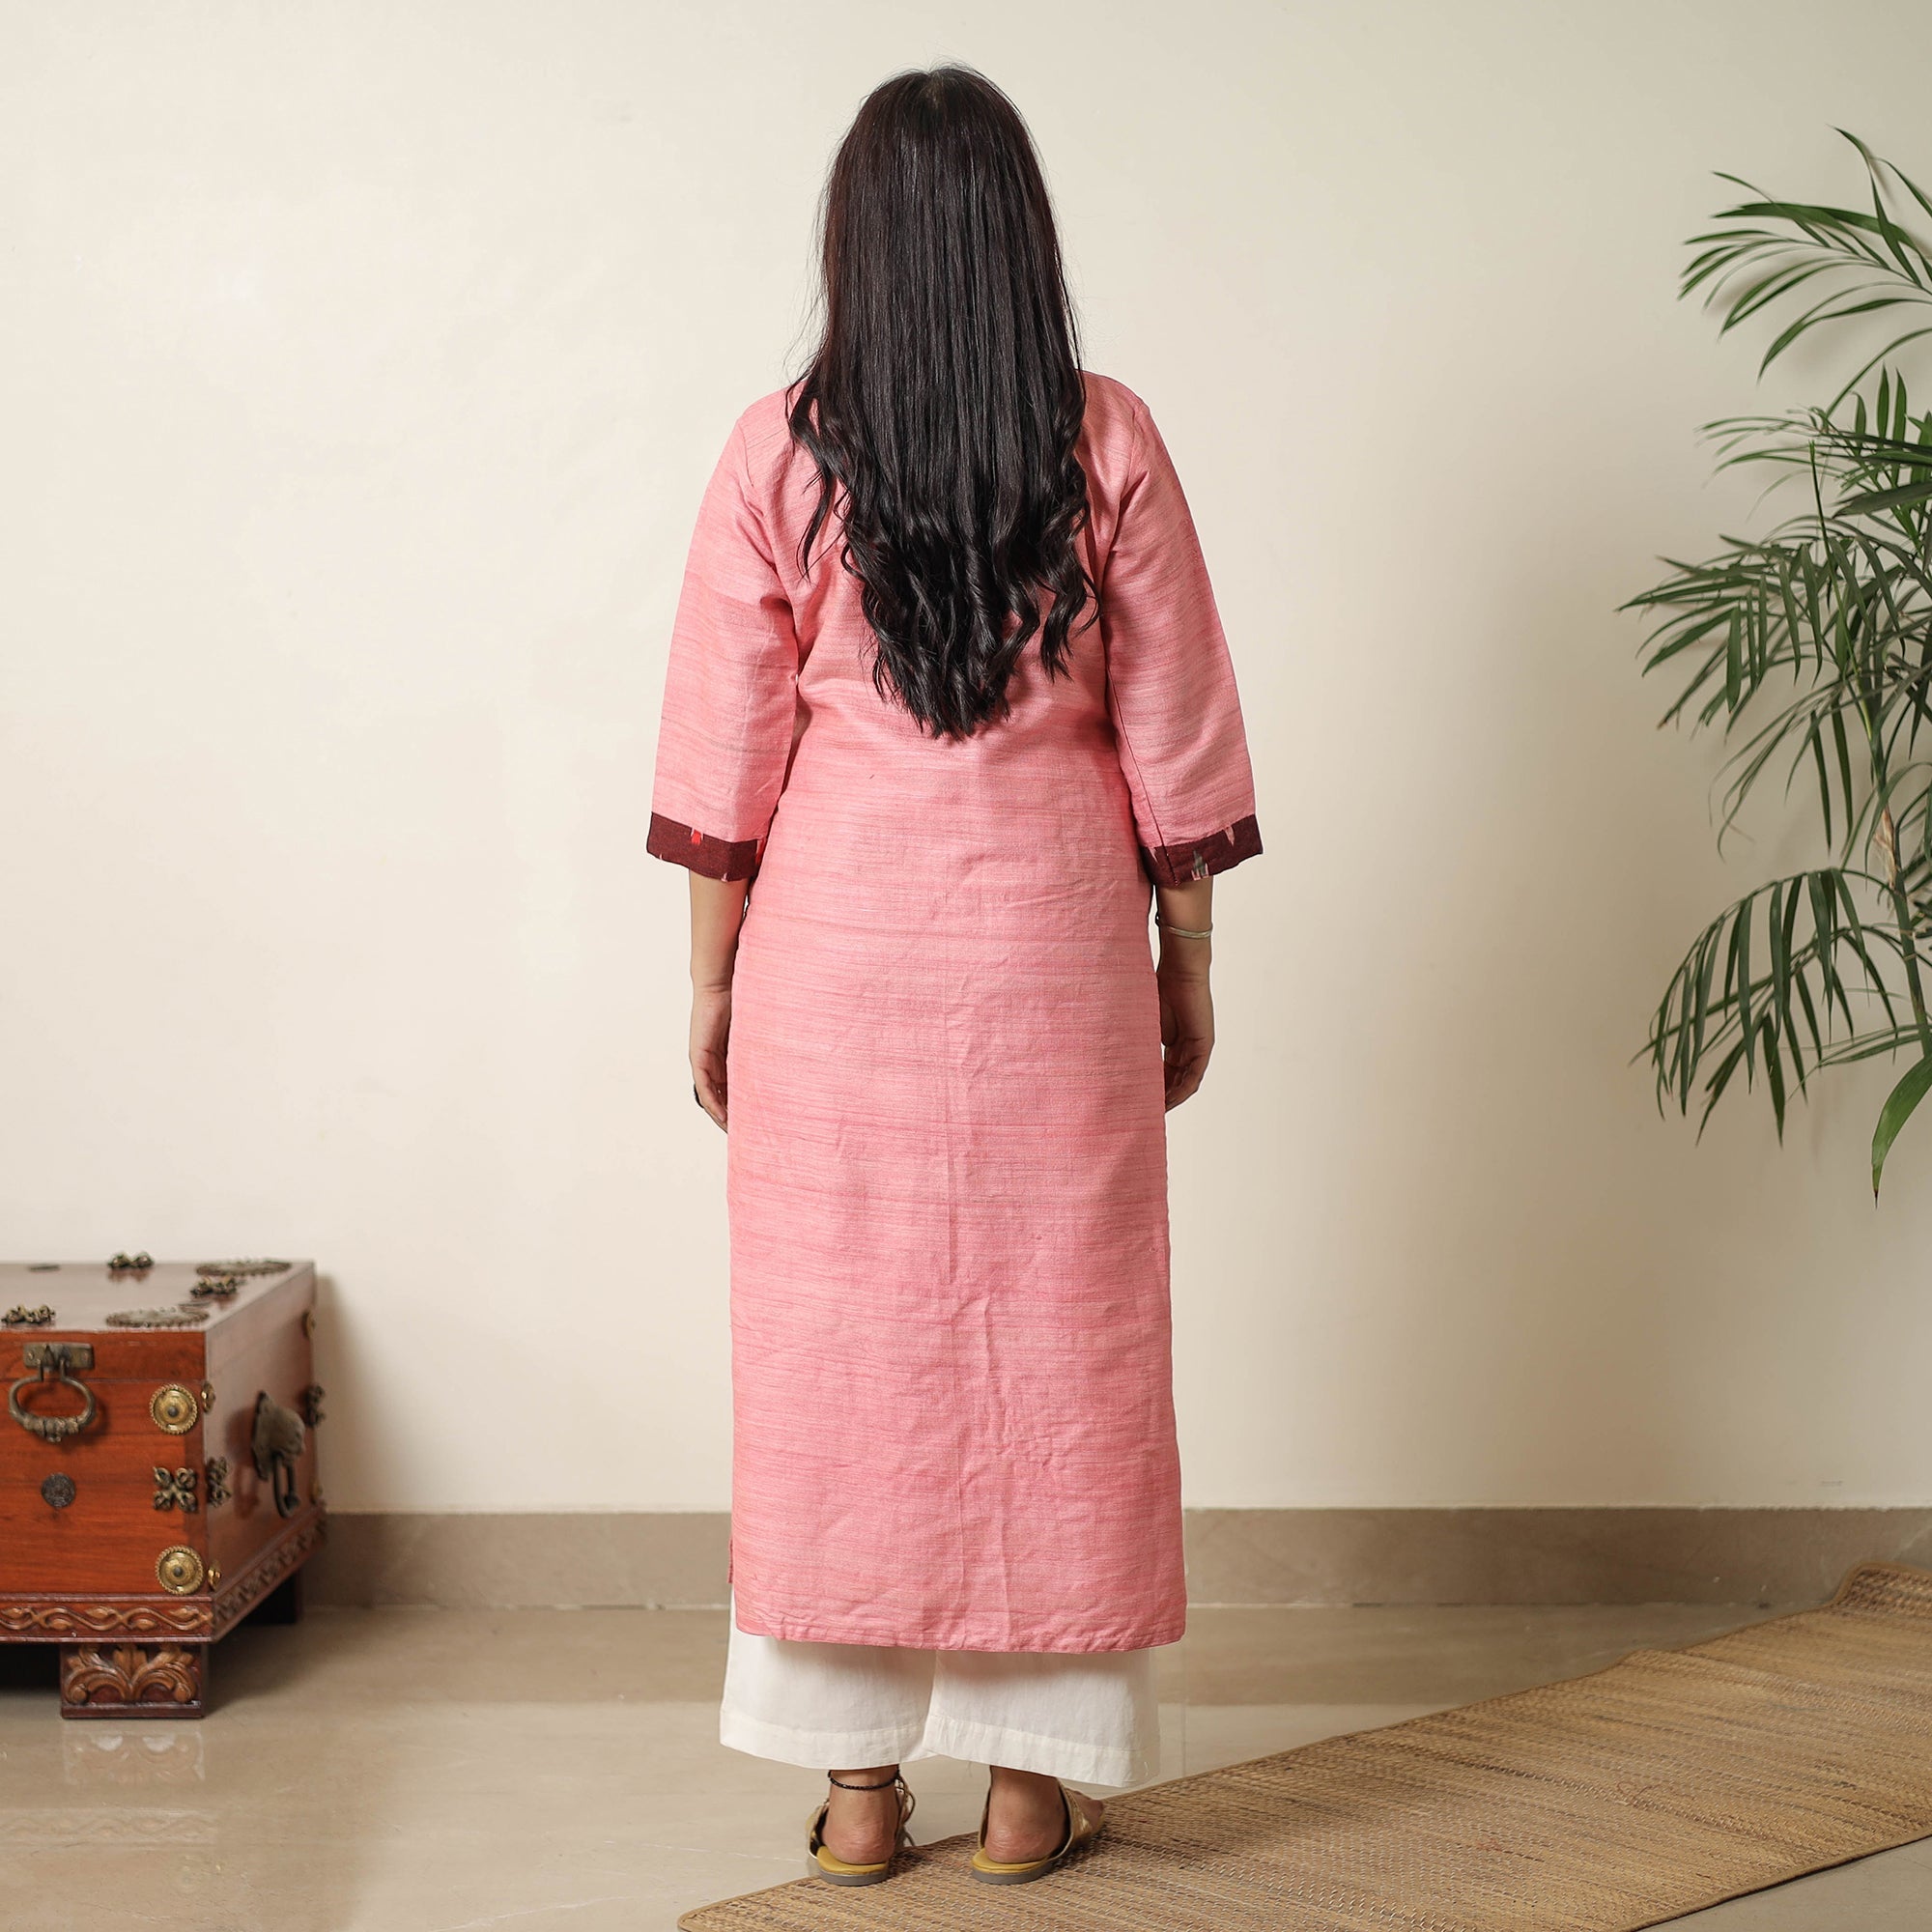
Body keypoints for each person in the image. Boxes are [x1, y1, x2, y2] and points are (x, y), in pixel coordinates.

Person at [647, 63, 1261, 1889]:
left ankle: (854, 1798)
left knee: (835, 1357)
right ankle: (1028, 1791)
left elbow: (729, 752)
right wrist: (1187, 959)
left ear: (859, 248)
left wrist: (713, 984)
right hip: (1056, 965)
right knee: (1057, 1347)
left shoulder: (778, 451)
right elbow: (1175, 722)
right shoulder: (1106, 440)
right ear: (1018, 243)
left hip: (833, 964)